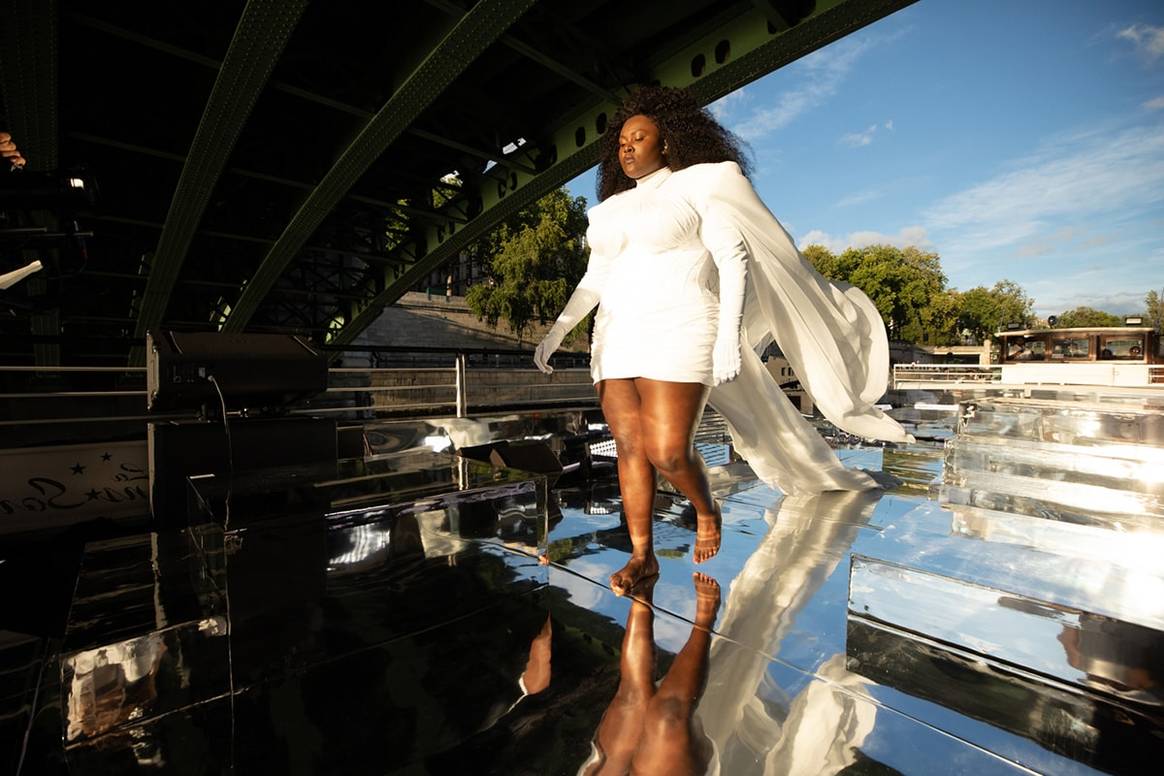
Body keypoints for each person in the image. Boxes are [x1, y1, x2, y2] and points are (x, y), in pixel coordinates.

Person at [533, 86, 911, 595]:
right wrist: (558, 330)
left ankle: (705, 507)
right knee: (629, 448)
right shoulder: (609, 210)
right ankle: (642, 556)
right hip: (615, 333)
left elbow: (733, 258)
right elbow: (596, 276)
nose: (627, 148)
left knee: (668, 451)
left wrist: (729, 336)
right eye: (621, 142)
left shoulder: (702, 183)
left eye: (638, 138)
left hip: (683, 323)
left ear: (667, 142)